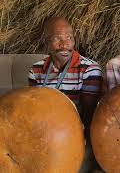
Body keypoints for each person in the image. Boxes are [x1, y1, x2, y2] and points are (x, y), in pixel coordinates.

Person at [28, 17, 103, 173]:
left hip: (76, 135)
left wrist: (64, 140)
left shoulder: (89, 68)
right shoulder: (36, 70)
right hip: (45, 134)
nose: (64, 45)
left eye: (69, 38)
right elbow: (34, 110)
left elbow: (88, 117)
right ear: (47, 42)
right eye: (57, 39)